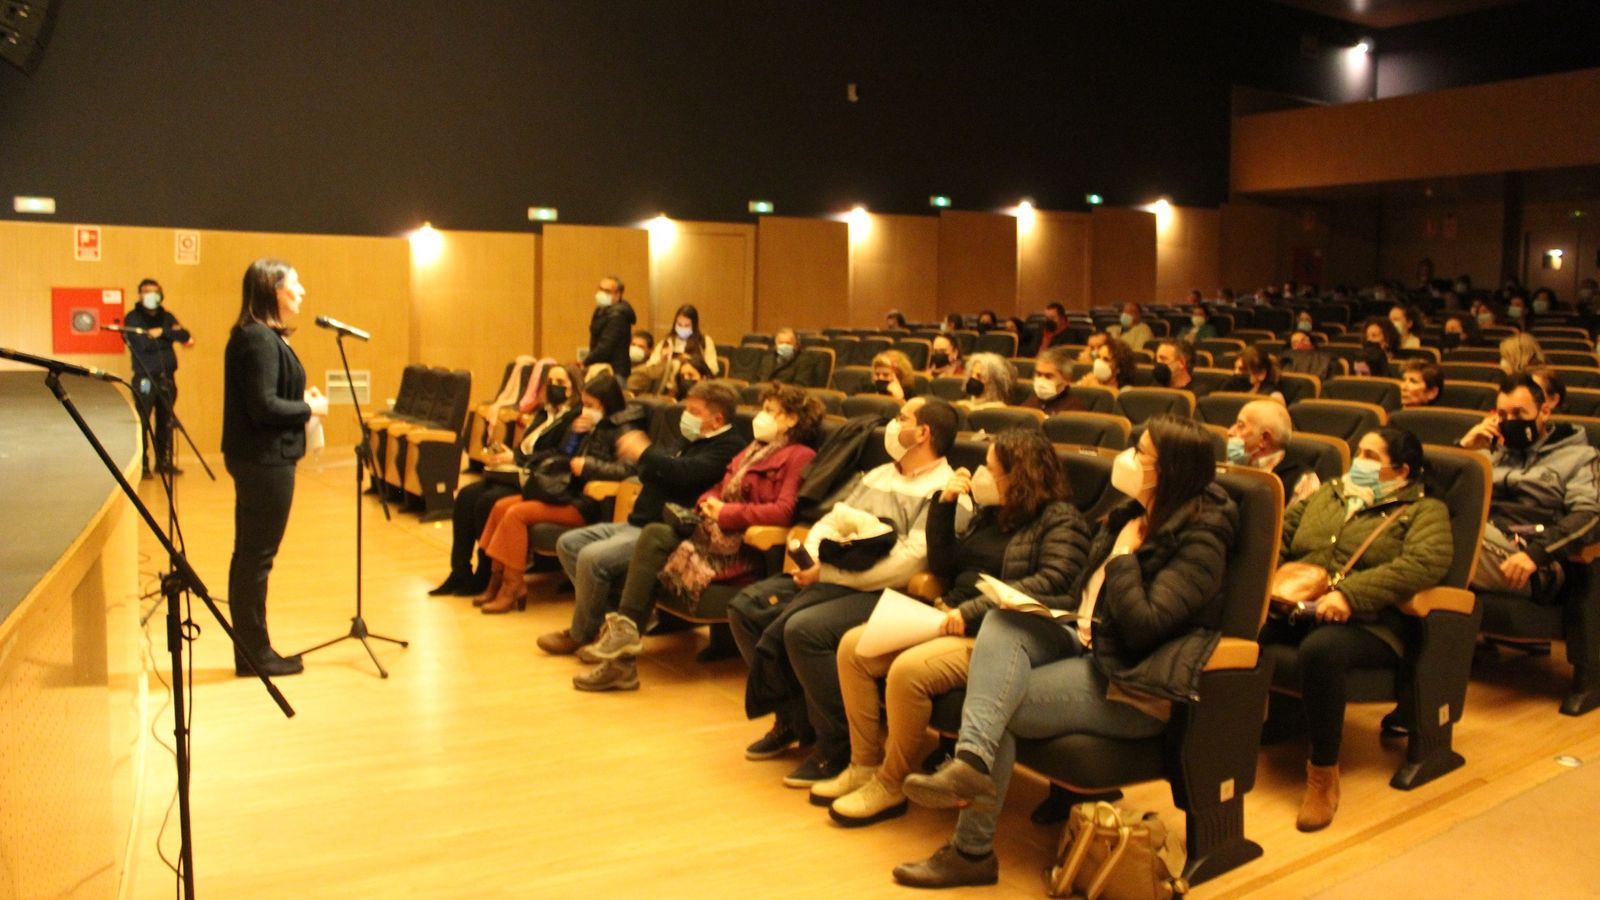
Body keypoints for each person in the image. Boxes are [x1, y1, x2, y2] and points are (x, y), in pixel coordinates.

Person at [893, 416, 1237, 888]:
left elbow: (1146, 627)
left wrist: (1123, 561)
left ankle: (971, 851)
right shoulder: (1132, 512)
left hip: (1130, 680)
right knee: (1001, 617)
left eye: (1141, 454)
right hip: (1084, 639)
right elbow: (1079, 596)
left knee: (1000, 705)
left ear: (1171, 470)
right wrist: (1026, 603)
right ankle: (970, 764)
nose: (1129, 460)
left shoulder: (1202, 535)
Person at [824, 429, 1091, 825]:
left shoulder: (1060, 519)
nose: (980, 473)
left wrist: (974, 611)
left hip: (996, 634)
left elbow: (1055, 582)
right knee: (853, 648)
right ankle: (863, 764)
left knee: (908, 672)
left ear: (1021, 476)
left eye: (991, 468)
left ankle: (891, 782)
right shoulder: (991, 512)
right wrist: (945, 505)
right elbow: (945, 565)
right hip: (945, 615)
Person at [727, 397, 958, 785]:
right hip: (834, 576)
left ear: (923, 433)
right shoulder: (879, 474)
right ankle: (795, 721)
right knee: (747, 609)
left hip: (890, 593)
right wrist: (814, 560)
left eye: (901, 418)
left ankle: (838, 746)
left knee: (804, 630)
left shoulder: (945, 488)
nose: (891, 425)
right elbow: (831, 521)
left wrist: (829, 575)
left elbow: (911, 561)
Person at [570, 384, 825, 690]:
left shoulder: (799, 455)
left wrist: (727, 512)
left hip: (741, 547)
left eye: (771, 411)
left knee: (651, 542)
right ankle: (623, 647)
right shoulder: (753, 449)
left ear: (793, 419)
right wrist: (707, 502)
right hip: (712, 533)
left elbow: (784, 511)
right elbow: (720, 485)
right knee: (655, 535)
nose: (761, 416)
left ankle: (621, 660)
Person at [1260, 427, 1452, 831]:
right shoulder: (1330, 492)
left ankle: (1323, 776)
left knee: (1321, 650)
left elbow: (1423, 564)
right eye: (1359, 451)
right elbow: (1280, 534)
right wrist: (1270, 582)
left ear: (1400, 470)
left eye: (1369, 455)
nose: (1358, 461)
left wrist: (1350, 594)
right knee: (1244, 629)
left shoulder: (1424, 510)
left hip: (1376, 624)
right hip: (1300, 605)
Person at [537, 381, 746, 659]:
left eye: (694, 411)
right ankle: (607, 623)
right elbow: (652, 469)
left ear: (717, 419)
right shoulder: (690, 438)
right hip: (634, 522)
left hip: (661, 531)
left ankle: (580, 633)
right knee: (569, 543)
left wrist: (646, 453)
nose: (686, 415)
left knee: (591, 558)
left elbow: (683, 472)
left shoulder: (728, 446)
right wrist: (653, 461)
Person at [221, 258, 329, 677]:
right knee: (256, 558)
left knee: (249, 555)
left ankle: (251, 649)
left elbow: (266, 395)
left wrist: (300, 395)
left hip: (262, 458)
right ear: (273, 290)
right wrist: (309, 407)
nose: (301, 292)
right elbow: (263, 407)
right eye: (294, 285)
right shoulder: (258, 340)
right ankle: (255, 653)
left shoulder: (263, 338)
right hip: (264, 460)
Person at [472, 369, 633, 614]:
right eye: (584, 403)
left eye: (590, 404)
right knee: (500, 506)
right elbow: (564, 457)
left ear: (605, 404)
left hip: (586, 502)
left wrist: (588, 466)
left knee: (516, 514)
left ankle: (512, 587)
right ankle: (495, 581)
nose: (585, 409)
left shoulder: (622, 429)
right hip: (563, 490)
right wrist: (575, 436)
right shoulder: (586, 424)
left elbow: (627, 469)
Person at [431, 359, 576, 597]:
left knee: (487, 501)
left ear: (574, 388)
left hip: (536, 479)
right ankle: (459, 572)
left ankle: (486, 573)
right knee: (466, 495)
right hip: (516, 470)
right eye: (550, 381)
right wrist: (508, 455)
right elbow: (528, 445)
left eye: (561, 382)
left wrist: (517, 459)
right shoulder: (544, 413)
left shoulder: (572, 419)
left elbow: (556, 456)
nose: (553, 386)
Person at [1461, 373, 1600, 603]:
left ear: (1544, 412)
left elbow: (1590, 515)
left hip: (1535, 560)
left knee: (1447, 534)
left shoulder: (1581, 457)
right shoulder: (1491, 454)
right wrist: (1466, 452)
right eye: (1503, 415)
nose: (1510, 421)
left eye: (1519, 413)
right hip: (1487, 536)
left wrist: (1537, 554)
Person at [124, 277, 193, 477]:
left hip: (168, 378)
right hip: (145, 379)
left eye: (154, 292)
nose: (150, 295)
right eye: (146, 291)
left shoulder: (167, 317)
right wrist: (169, 336)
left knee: (166, 422)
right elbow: (142, 344)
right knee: (143, 422)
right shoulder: (133, 318)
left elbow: (186, 336)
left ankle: (163, 462)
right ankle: (143, 465)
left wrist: (162, 332)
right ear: (139, 295)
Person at [1227, 399, 1319, 503]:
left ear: (1264, 438)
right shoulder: (1234, 464)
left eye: (1240, 426)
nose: (1230, 431)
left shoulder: (1302, 480)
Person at [581, 275, 636, 378]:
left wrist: (585, 362)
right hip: (602, 369)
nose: (601, 293)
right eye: (600, 289)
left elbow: (605, 346)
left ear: (618, 294)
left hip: (614, 372)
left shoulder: (618, 316)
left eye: (606, 291)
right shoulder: (601, 311)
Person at [646, 303, 721, 378]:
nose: (682, 328)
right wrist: (662, 360)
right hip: (668, 385)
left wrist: (691, 361)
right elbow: (650, 366)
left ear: (694, 326)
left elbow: (713, 369)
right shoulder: (667, 341)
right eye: (679, 324)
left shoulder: (704, 341)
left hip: (694, 384)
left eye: (687, 325)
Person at [1021, 345, 1083, 415]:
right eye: (1038, 374)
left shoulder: (1074, 408)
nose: (1041, 380)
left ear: (1066, 379)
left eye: (1048, 376)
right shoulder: (1030, 402)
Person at [754, 327, 824, 387]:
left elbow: (800, 386)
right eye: (781, 343)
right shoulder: (767, 359)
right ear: (776, 345)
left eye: (788, 343)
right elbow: (758, 381)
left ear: (796, 345)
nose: (784, 345)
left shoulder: (804, 360)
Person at [624, 329, 666, 394]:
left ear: (650, 350)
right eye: (633, 345)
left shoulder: (645, 371)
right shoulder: (623, 363)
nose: (635, 349)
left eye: (641, 347)